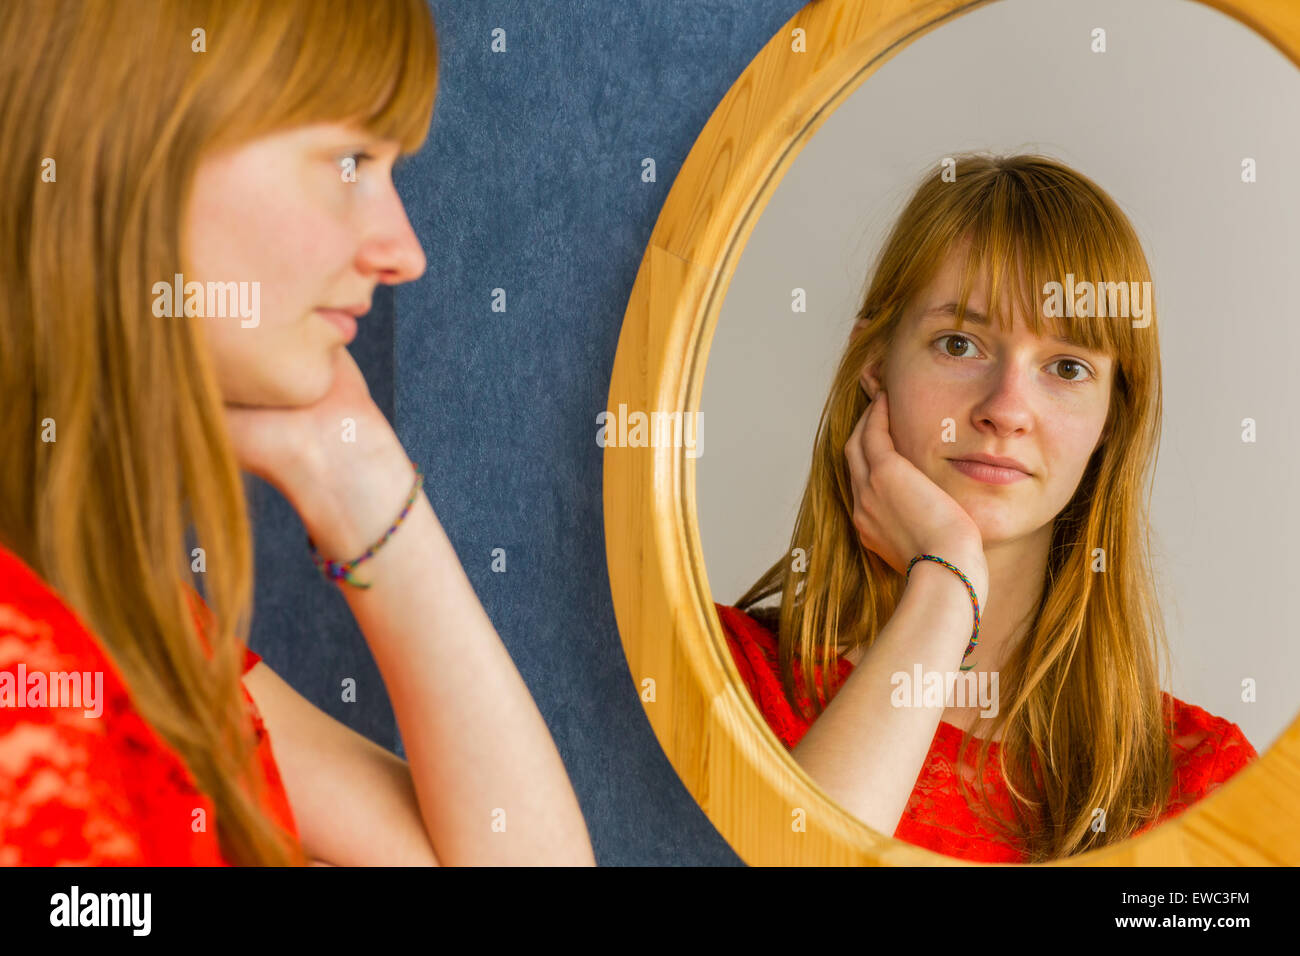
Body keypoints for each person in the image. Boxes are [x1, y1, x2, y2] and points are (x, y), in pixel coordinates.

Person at [0, 0, 594, 866]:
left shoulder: (118, 610)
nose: (404, 252)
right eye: (350, 159)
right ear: (126, 144)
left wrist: (353, 473)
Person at [716, 153, 1257, 863]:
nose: (1006, 409)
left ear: (1109, 422)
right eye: (959, 343)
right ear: (873, 363)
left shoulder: (1197, 781)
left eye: (1067, 367)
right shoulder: (718, 676)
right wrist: (945, 585)